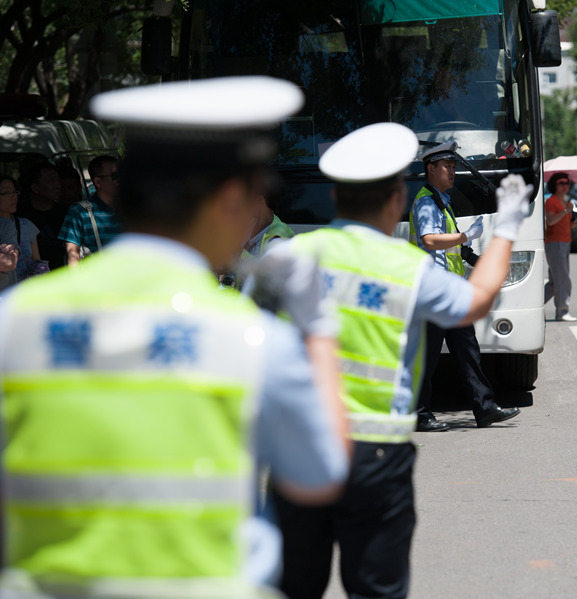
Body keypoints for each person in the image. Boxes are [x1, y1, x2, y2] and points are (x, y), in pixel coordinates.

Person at [0, 76, 350, 598]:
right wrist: (318, 329)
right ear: (230, 198)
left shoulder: (16, 320)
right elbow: (322, 473)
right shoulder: (248, 338)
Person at [249, 123, 533, 599]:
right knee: (377, 589)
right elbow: (478, 300)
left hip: (298, 449)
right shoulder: (408, 270)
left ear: (336, 197)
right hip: (376, 453)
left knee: (292, 587)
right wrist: (505, 228)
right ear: (396, 202)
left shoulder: (289, 257)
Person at [409, 140, 519, 432]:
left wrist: (475, 256)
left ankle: (485, 409)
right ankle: (420, 415)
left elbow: (453, 247)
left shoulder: (441, 202)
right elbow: (430, 240)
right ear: (430, 168)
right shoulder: (425, 202)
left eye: (454, 166)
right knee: (428, 357)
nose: (452, 172)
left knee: (468, 352)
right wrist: (465, 236)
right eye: (447, 166)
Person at [59, 155, 123, 265]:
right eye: (115, 176)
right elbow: (73, 256)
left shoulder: (134, 209)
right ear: (98, 182)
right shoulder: (80, 212)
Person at [17, 161, 67, 269]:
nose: (58, 186)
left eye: (58, 180)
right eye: (51, 181)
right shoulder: (20, 217)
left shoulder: (67, 214)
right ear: (35, 188)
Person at [544, 171, 577, 321]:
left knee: (554, 282)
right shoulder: (551, 201)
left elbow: (566, 224)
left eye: (567, 183)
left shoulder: (567, 203)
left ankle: (533, 303)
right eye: (561, 183)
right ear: (554, 185)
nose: (565, 186)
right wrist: (565, 211)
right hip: (554, 243)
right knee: (563, 278)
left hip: (565, 241)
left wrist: (571, 220)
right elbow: (550, 221)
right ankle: (562, 311)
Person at [0, 176, 44, 284]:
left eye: (14, 192)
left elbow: (37, 264)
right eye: (6, 192)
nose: (13, 196)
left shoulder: (26, 225)